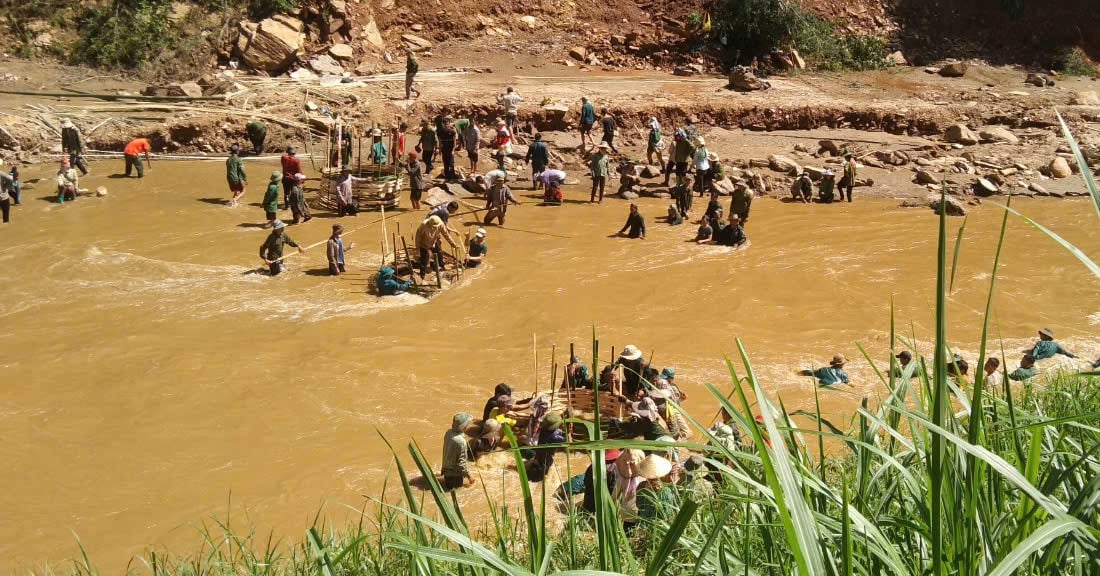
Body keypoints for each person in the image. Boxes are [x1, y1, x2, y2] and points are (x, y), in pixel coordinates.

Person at [525, 413, 566, 482]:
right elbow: (566, 444)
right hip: (544, 461)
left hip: (539, 456)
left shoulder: (543, 430)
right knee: (541, 479)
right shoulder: (555, 438)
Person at [636, 454, 675, 523]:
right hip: (658, 526)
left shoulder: (641, 486)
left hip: (643, 522)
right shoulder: (666, 491)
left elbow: (638, 504)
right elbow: (667, 513)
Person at [441, 412, 474, 490]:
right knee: (457, 492)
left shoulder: (448, 432)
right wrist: (469, 476)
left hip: (446, 471)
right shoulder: (461, 441)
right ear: (464, 427)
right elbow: (461, 463)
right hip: (455, 476)